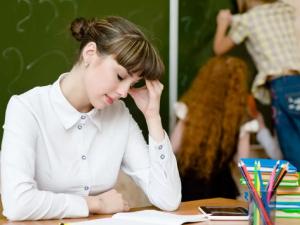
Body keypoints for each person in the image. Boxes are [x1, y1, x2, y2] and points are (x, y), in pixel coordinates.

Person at [0, 16, 181, 221]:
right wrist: (95, 203)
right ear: (90, 53)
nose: (123, 92)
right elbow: (17, 204)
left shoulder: (119, 114)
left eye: (131, 84)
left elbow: (168, 199)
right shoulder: (27, 109)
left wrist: (152, 117)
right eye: (121, 77)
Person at [214, 0, 300, 170]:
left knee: (292, 153)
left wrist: (223, 23)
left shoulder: (247, 20)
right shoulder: (286, 9)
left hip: (282, 85)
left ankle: (294, 196)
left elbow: (219, 48)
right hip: (296, 80)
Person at [170, 56, 248, 201]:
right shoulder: (239, 119)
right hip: (223, 191)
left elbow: (173, 146)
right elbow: (243, 163)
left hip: (187, 188)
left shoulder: (190, 111)